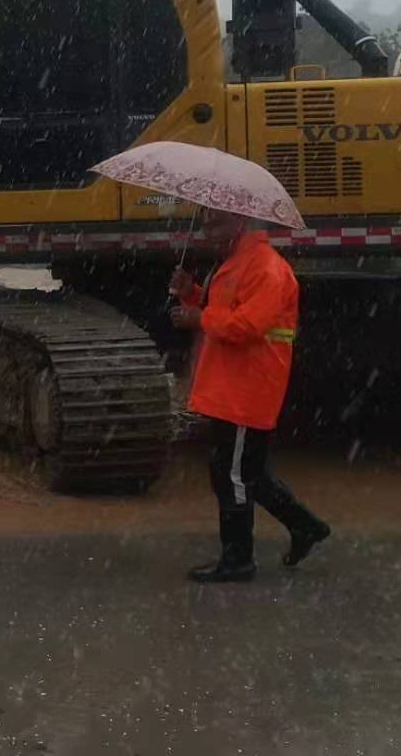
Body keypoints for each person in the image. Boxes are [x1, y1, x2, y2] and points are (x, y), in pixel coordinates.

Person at [170, 206, 332, 583]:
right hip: (233, 386)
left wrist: (198, 318)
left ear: (240, 222)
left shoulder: (265, 267)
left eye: (216, 220)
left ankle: (238, 559)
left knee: (233, 475)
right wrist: (191, 293)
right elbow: (223, 310)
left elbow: (248, 325)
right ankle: (305, 526)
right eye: (205, 219)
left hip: (248, 388)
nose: (207, 227)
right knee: (247, 472)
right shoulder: (236, 262)